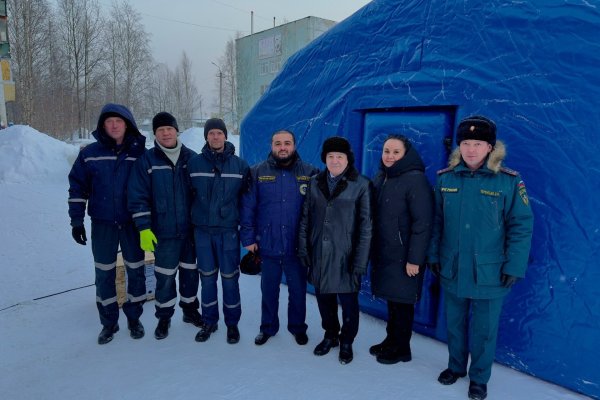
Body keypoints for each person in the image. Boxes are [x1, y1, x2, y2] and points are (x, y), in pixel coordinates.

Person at [427, 115, 534, 400]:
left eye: (478, 143)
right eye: (466, 143)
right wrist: (434, 255)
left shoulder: (508, 181)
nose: (471, 149)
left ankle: (479, 378)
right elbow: (436, 221)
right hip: (452, 267)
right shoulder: (445, 178)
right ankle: (455, 367)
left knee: (485, 330)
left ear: (490, 147)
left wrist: (514, 265)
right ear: (459, 146)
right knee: (454, 323)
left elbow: (521, 226)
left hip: (491, 272)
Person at [68, 103, 147, 344]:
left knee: (136, 271)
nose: (114, 125)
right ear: (103, 125)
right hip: (103, 224)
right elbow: (77, 187)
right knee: (104, 273)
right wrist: (76, 220)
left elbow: (150, 189)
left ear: (127, 124)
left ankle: (134, 318)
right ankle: (109, 323)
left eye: (119, 121)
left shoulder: (140, 153)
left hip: (132, 224)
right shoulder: (89, 153)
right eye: (109, 121)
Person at [298, 136, 372, 364]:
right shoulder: (314, 183)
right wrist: (304, 249)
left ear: (347, 159)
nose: (335, 161)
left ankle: (347, 340)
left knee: (349, 303)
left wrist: (359, 261)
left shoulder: (361, 185)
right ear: (325, 159)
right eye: (331, 157)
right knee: (324, 300)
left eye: (340, 156)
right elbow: (305, 219)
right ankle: (330, 335)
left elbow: (366, 227)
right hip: (320, 253)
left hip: (345, 256)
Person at [240, 129, 318, 346]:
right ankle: (268, 327)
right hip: (268, 245)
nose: (282, 147)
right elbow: (248, 207)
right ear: (271, 146)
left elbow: (318, 210)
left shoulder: (310, 173)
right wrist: (248, 238)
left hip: (297, 246)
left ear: (294, 145)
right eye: (278, 143)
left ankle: (298, 327)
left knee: (298, 291)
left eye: (287, 143)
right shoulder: (257, 172)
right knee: (269, 290)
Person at [127, 112, 202, 340]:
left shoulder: (193, 158)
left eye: (169, 128)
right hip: (164, 234)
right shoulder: (147, 161)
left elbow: (203, 194)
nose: (166, 133)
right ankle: (164, 317)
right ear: (155, 134)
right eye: (161, 130)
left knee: (190, 275)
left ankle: (190, 311)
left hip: (190, 232)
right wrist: (144, 228)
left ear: (177, 130)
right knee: (165, 278)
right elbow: (137, 196)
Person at [369, 135, 433, 364]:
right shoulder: (382, 177)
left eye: (396, 152)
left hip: (405, 256)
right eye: (387, 151)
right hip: (386, 254)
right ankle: (391, 340)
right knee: (393, 301)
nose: (390, 156)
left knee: (403, 304)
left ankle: (402, 348)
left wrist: (415, 259)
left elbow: (423, 223)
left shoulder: (415, 180)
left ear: (406, 154)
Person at [188, 117, 250, 344]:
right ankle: (209, 321)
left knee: (230, 278)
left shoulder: (240, 165)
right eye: (211, 133)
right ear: (206, 136)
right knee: (207, 279)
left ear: (226, 135)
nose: (215, 137)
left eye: (219, 133)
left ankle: (232, 324)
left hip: (228, 232)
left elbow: (247, 201)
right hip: (202, 232)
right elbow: (187, 197)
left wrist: (247, 231)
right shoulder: (194, 165)